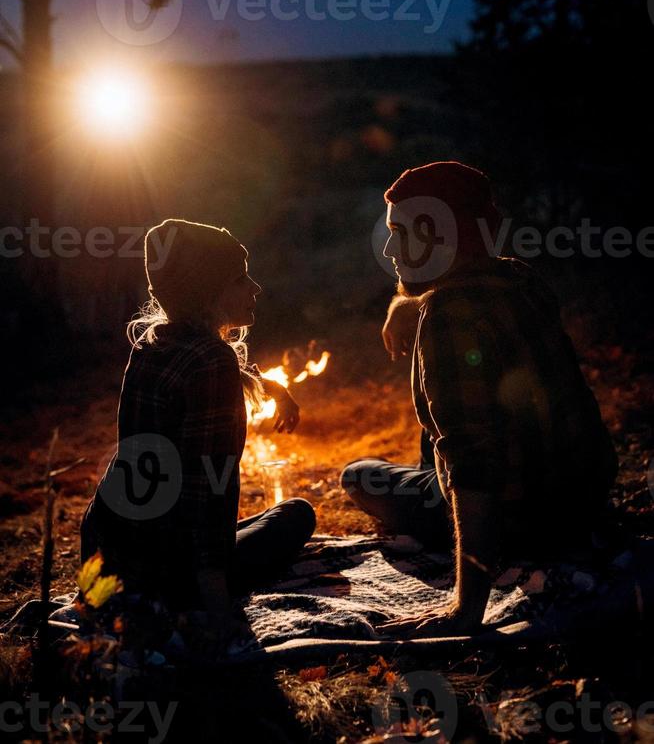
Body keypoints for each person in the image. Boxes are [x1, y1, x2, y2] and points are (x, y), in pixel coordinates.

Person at [341, 161, 619, 637]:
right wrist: (402, 305)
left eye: (401, 233)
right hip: (582, 500)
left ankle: (446, 521)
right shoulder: (521, 279)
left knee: (360, 475)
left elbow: (474, 467)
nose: (388, 249)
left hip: (519, 519)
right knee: (448, 424)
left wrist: (467, 606)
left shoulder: (450, 318)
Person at [80, 218, 316, 649]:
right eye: (240, 278)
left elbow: (191, 375)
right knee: (296, 515)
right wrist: (216, 604)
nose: (255, 288)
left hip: (106, 551)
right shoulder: (213, 363)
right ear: (209, 291)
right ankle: (195, 587)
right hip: (165, 571)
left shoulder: (152, 344)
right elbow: (208, 489)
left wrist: (271, 387)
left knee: (267, 520)